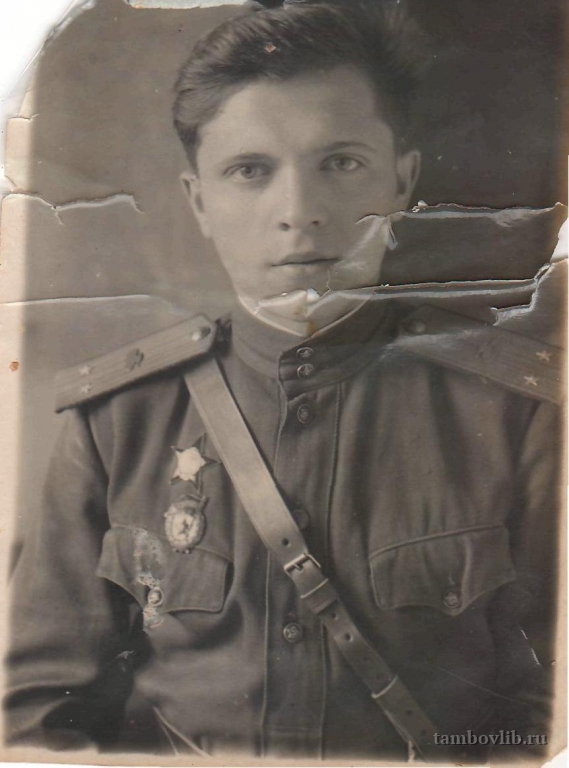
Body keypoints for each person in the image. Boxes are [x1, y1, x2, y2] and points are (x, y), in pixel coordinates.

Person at [5, 0, 564, 761]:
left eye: (341, 163)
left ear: (401, 182)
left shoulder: (514, 414)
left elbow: (550, 717)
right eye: (250, 171)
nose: (299, 213)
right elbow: (34, 723)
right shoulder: (118, 420)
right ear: (200, 201)